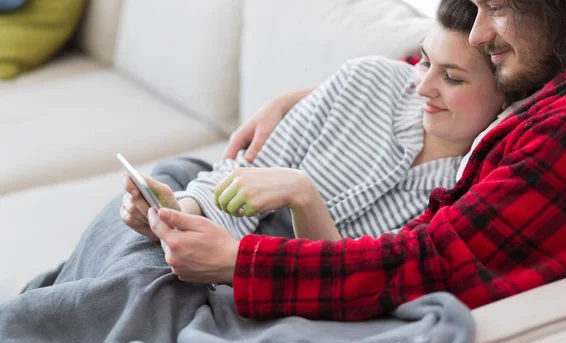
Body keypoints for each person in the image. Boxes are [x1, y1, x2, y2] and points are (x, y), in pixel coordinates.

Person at [147, 0, 566, 321]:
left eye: (497, 8)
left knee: (144, 288)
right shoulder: (548, 54)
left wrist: (238, 262)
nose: (481, 32)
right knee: (142, 231)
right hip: (243, 233)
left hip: (325, 281)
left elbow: (430, 265)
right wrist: (307, 99)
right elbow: (428, 65)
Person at [121, 0, 506, 243]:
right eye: (424, 60)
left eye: (452, 78)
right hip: (218, 228)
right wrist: (175, 213)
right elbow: (245, 169)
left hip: (281, 288)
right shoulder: (369, 79)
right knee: (127, 241)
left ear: (506, 90)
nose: (423, 87)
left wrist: (304, 197)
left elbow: (358, 279)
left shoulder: (469, 187)